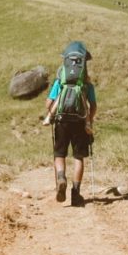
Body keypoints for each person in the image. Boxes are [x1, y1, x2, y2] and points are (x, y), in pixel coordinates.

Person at [43, 41, 97, 207]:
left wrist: (51, 113)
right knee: (78, 157)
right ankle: (76, 193)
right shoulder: (87, 83)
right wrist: (90, 122)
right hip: (80, 122)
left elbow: (48, 103)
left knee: (59, 154)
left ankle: (61, 178)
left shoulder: (60, 80)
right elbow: (93, 106)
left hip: (61, 120)